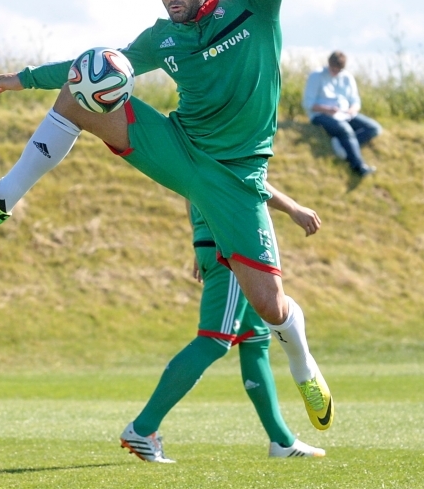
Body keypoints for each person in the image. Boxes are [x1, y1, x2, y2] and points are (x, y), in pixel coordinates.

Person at [0, 0, 334, 432]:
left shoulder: (253, 2)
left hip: (237, 178)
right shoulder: (164, 37)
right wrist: (22, 76)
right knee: (87, 80)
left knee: (270, 309)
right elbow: (109, 63)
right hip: (179, 149)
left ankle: (303, 361)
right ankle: (2, 198)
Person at [121, 183, 325, 462]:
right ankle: (143, 429)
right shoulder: (225, 139)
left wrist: (198, 238)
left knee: (256, 341)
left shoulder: (196, 137)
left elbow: (190, 185)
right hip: (230, 247)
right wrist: (293, 207)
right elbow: (247, 178)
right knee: (213, 341)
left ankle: (282, 440)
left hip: (222, 241)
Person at [302, 51, 382, 176]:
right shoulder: (316, 76)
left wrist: (353, 109)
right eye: (332, 69)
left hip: (344, 114)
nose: (334, 72)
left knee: (374, 128)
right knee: (346, 130)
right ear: (328, 64)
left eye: (338, 70)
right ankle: (358, 166)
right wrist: (327, 109)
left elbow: (355, 101)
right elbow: (308, 104)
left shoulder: (347, 77)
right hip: (321, 115)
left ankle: (341, 146)